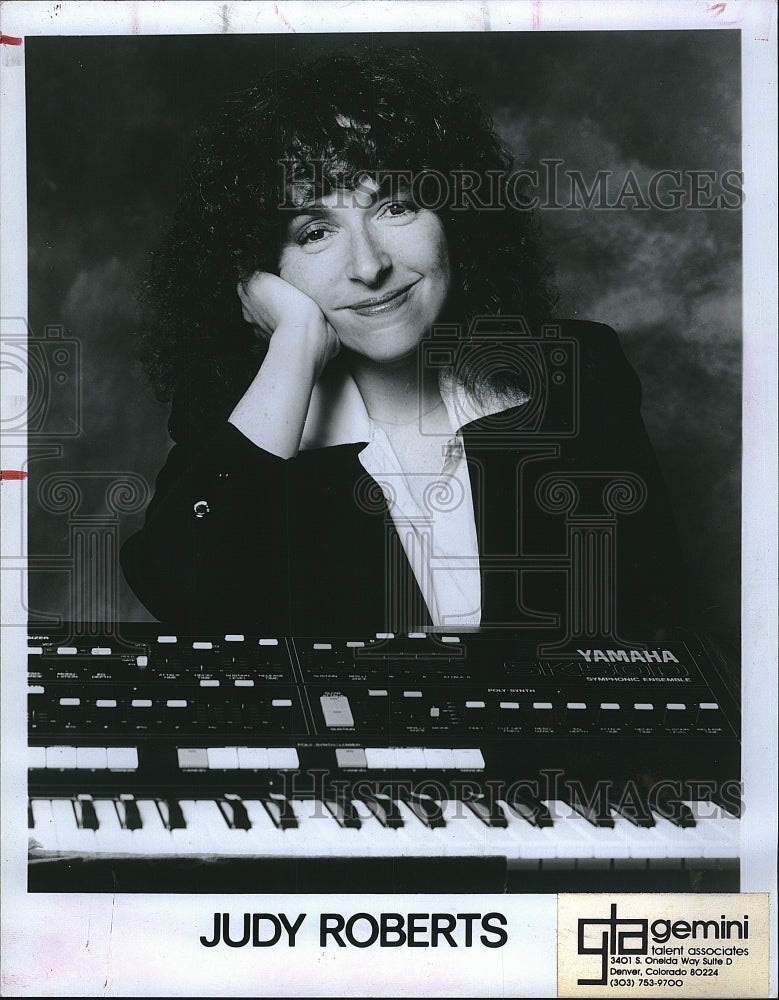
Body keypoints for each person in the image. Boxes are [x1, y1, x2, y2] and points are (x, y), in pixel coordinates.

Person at [121, 46, 687, 638]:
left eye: (395, 206)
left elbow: (654, 635)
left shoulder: (578, 374)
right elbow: (176, 589)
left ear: (453, 219)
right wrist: (295, 341)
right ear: (263, 272)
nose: (369, 266)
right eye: (314, 232)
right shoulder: (251, 416)